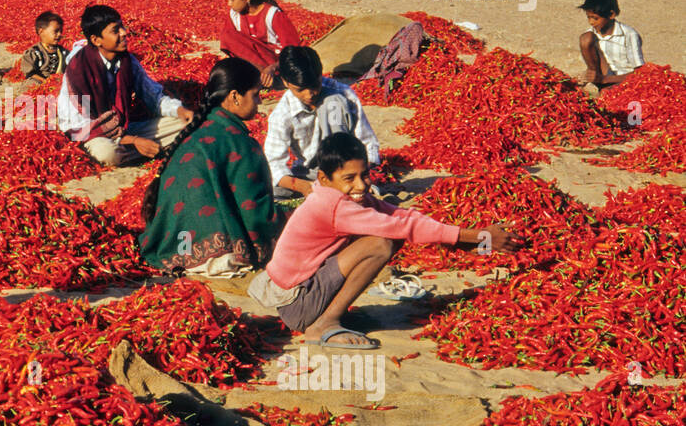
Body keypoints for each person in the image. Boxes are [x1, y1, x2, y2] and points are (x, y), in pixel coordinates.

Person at [248, 132, 525, 349]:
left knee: (391, 236)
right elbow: (401, 227)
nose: (361, 185)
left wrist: (470, 240)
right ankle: (324, 323)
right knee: (380, 243)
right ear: (324, 177)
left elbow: (402, 215)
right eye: (349, 178)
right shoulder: (333, 206)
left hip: (304, 290)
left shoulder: (337, 194)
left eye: (364, 175)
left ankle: (329, 315)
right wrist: (477, 236)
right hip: (298, 303)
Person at [138, 58, 282, 276]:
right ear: (234, 97)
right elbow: (254, 210)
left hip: (175, 245)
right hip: (213, 254)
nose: (260, 101)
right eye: (255, 94)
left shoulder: (196, 133)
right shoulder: (240, 143)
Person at [57, 4, 194, 167]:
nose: (124, 32)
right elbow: (77, 126)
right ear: (96, 40)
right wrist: (133, 140)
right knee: (108, 153)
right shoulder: (78, 70)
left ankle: (141, 150)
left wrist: (179, 110)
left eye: (121, 27)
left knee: (184, 124)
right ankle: (146, 149)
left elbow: (154, 97)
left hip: (123, 128)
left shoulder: (127, 61)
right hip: (94, 133)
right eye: (115, 30)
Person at [264, 45, 380, 200]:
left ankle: (346, 179)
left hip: (347, 168)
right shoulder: (282, 113)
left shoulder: (343, 93)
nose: (310, 94)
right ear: (285, 82)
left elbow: (367, 143)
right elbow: (274, 164)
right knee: (270, 191)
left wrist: (355, 176)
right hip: (308, 174)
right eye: (300, 90)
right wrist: (305, 187)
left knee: (333, 101)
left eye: (315, 85)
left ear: (321, 74)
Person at [218, 0, 302, 88]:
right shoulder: (235, 15)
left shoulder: (273, 15)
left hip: (277, 63)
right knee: (228, 36)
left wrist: (273, 67)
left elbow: (294, 50)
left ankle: (273, 80)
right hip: (256, 62)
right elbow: (235, 46)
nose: (229, 4)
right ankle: (260, 78)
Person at [578, 0, 645, 88]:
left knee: (608, 96)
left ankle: (604, 87)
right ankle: (600, 85)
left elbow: (640, 73)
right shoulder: (592, 34)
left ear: (611, 15)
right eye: (588, 17)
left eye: (595, 18)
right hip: (603, 79)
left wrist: (605, 79)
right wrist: (589, 76)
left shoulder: (629, 35)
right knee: (585, 38)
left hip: (627, 80)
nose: (591, 22)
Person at [18, 10, 68, 79]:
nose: (59, 34)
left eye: (61, 31)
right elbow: (30, 73)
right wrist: (45, 82)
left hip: (58, 82)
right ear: (41, 31)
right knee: (31, 83)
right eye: (56, 31)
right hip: (39, 82)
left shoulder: (63, 52)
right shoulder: (34, 52)